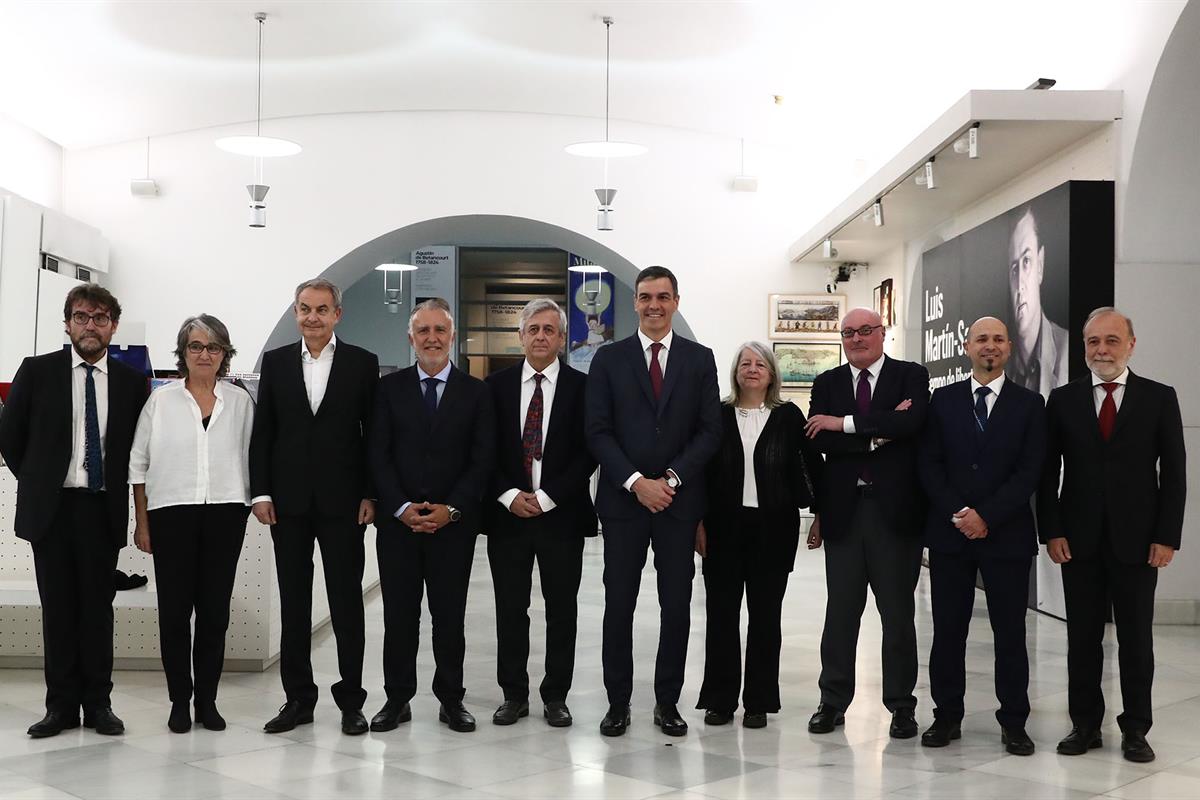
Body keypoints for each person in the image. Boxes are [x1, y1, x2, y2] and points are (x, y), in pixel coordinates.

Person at [1039, 307, 1186, 764]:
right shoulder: (1062, 400)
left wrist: (1167, 537)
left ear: (1131, 344)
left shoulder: (1159, 398)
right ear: (1083, 347)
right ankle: (1084, 724)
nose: (1101, 350)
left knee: (1136, 638)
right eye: (1092, 342)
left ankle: (1136, 728)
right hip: (1077, 539)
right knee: (1081, 637)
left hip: (1139, 542)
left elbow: (1175, 474)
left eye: (1111, 341)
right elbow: (1047, 474)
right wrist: (1052, 531)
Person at [0, 284, 148, 738]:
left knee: (98, 611)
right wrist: (40, 479)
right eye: (82, 317)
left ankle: (98, 704)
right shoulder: (37, 371)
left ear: (113, 327)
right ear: (67, 323)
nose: (90, 325)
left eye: (100, 318)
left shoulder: (130, 382)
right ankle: (60, 706)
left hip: (100, 510)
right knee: (58, 610)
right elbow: (9, 436)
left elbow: (136, 450)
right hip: (52, 510)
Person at [585, 265, 722, 737]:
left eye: (663, 297)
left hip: (678, 505)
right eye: (645, 297)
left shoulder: (700, 359)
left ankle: (668, 702)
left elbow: (710, 431)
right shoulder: (608, 359)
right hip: (624, 505)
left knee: (676, 607)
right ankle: (617, 704)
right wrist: (635, 482)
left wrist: (672, 479)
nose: (654, 306)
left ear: (676, 301)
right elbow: (597, 431)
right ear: (635, 303)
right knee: (618, 605)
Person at [250, 279, 380, 736]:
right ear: (295, 312)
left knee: (347, 604)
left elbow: (373, 437)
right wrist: (261, 492)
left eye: (322, 309)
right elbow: (263, 431)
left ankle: (351, 702)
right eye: (305, 309)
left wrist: (371, 494)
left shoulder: (363, 364)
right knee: (295, 603)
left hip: (345, 504)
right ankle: (298, 699)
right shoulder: (277, 362)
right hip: (287, 504)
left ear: (337, 315)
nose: (312, 317)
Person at [917, 317, 1045, 755]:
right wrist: (961, 513)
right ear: (966, 347)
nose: (989, 347)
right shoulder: (943, 400)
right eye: (981, 340)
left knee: (1010, 633)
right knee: (948, 632)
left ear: (1008, 348)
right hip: (951, 535)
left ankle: (1014, 722)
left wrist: (986, 515)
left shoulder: (1030, 404)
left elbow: (1030, 470)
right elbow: (929, 465)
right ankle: (946, 716)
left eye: (997, 340)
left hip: (1006, 536)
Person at [368, 297, 495, 733]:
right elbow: (377, 456)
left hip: (452, 528)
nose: (432, 338)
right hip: (398, 526)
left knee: (449, 618)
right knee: (399, 618)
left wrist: (451, 509)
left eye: (440, 330)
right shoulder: (386, 390)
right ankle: (397, 699)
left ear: (452, 336)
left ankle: (451, 699)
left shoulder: (477, 393)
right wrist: (401, 508)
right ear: (411, 338)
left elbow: (482, 460)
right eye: (423, 331)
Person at [803, 307, 929, 739]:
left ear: (882, 333)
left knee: (897, 615)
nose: (857, 338)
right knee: (840, 614)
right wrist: (880, 432)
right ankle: (832, 701)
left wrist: (845, 424)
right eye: (849, 332)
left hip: (895, 515)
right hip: (844, 512)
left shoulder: (910, 375)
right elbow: (822, 442)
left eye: (866, 331)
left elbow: (912, 423)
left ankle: (901, 706)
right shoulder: (826, 383)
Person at [129, 315, 254, 733]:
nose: (205, 354)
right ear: (183, 353)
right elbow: (138, 466)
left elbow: (254, 457)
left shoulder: (240, 402)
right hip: (171, 515)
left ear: (225, 354)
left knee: (215, 613)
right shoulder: (161, 401)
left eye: (213, 347)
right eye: (196, 346)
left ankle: (208, 701)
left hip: (225, 513)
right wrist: (142, 524)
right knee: (175, 613)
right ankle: (179, 701)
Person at [694, 341, 823, 729]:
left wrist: (818, 513)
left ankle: (759, 701)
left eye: (760, 364)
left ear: (771, 373)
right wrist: (696, 522)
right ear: (735, 371)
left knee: (766, 618)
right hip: (722, 528)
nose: (752, 369)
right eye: (745, 363)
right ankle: (719, 699)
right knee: (721, 617)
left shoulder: (787, 416)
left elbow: (809, 467)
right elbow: (700, 473)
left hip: (774, 530)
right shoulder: (716, 414)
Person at [484, 299, 596, 728]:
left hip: (561, 516)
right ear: (521, 336)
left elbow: (589, 452)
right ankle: (513, 695)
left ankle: (556, 696)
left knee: (561, 608)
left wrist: (548, 496)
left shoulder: (583, 388)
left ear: (562, 338)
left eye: (550, 330)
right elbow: (483, 451)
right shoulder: (494, 387)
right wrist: (510, 494)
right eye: (533, 329)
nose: (541, 337)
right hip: (507, 515)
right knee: (510, 608)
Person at [1007, 206, 1069, 398]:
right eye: (1014, 270)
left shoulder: (1067, 350)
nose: (1020, 285)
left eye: (1026, 261)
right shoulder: (1002, 367)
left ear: (1040, 265)